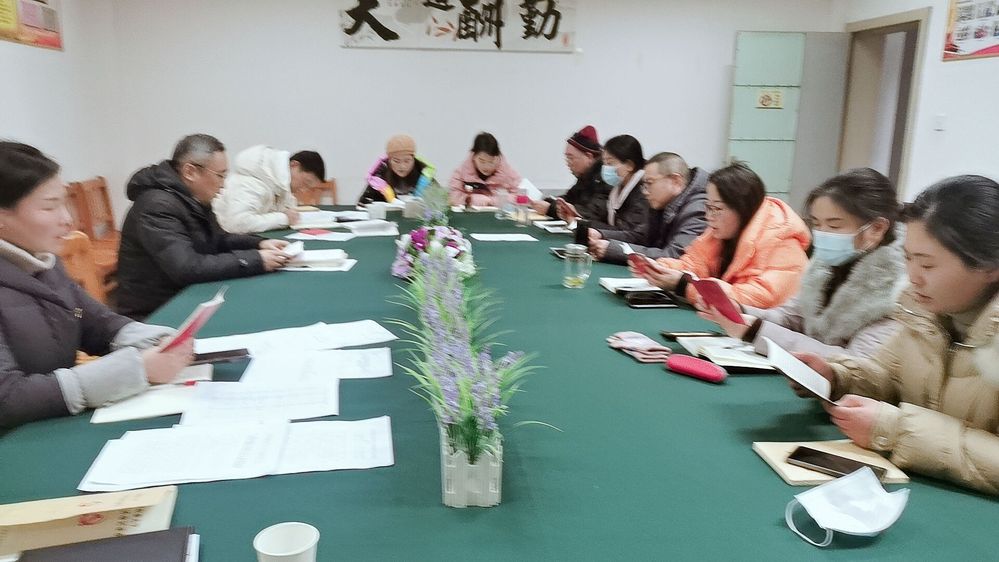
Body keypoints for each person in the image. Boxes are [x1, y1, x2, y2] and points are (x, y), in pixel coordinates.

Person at [793, 175, 999, 495]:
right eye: (908, 258)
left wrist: (895, 430)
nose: (913, 277)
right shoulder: (926, 314)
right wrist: (836, 376)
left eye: (928, 266)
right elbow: (886, 377)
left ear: (990, 267)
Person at [0, 142, 192, 429]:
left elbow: (89, 320)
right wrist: (135, 370)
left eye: (64, 203)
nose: (68, 220)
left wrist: (154, 340)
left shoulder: (42, 261)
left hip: (49, 425)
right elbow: (7, 398)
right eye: (50, 207)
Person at [697, 168, 906, 359]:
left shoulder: (897, 291)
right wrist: (740, 311)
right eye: (816, 224)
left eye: (834, 226)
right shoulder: (824, 267)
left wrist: (755, 330)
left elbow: (856, 364)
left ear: (876, 228)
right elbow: (791, 317)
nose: (822, 234)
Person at [115, 134, 291, 320]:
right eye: (220, 176)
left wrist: (259, 244)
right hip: (158, 313)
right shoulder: (156, 206)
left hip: (189, 295)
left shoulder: (190, 197)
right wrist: (256, 260)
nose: (223, 185)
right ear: (190, 172)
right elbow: (187, 268)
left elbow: (219, 239)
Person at [635, 162, 809, 308]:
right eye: (708, 207)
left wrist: (684, 286)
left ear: (742, 208)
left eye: (717, 208)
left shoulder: (782, 241)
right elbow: (694, 264)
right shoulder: (720, 231)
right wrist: (660, 269)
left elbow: (761, 298)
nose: (708, 216)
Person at [589, 151, 708, 264]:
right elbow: (640, 236)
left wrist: (614, 250)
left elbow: (674, 256)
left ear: (676, 181)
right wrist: (601, 235)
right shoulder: (664, 201)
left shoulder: (698, 209)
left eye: (649, 183)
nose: (645, 192)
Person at [213, 146, 326, 233]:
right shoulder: (251, 182)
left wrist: (287, 214)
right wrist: (284, 218)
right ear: (294, 165)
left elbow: (288, 208)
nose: (303, 190)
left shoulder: (279, 184)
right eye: (306, 183)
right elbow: (238, 224)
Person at [557, 134, 649, 234]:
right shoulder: (617, 189)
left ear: (629, 165)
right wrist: (577, 218)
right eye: (604, 163)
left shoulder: (643, 193)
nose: (605, 168)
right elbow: (606, 223)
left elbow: (630, 234)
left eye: (610, 163)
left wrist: (581, 223)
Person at [533, 125, 610, 223]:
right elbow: (569, 199)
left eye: (571, 158)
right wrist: (550, 202)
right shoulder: (585, 177)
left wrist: (550, 209)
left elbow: (590, 213)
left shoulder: (605, 178)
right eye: (567, 158)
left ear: (589, 157)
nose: (568, 163)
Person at [448, 132, 522, 207]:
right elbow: (453, 197)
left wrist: (496, 200)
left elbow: (521, 197)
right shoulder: (461, 173)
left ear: (498, 158)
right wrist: (471, 199)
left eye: (491, 161)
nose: (487, 167)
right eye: (482, 161)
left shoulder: (509, 174)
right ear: (474, 156)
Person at [358, 134, 436, 204]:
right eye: (396, 161)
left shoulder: (424, 175)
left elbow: (439, 202)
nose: (402, 166)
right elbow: (362, 205)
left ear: (414, 159)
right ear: (389, 160)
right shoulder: (379, 177)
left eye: (407, 161)